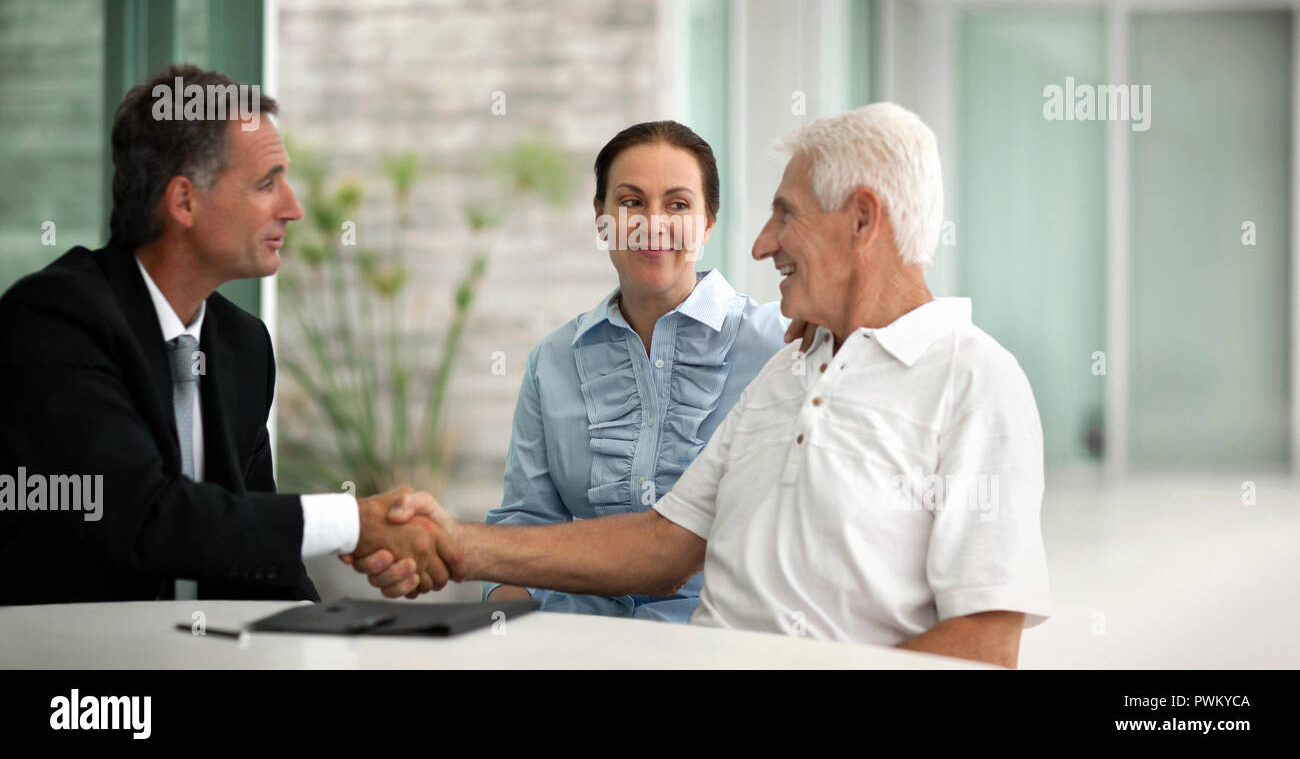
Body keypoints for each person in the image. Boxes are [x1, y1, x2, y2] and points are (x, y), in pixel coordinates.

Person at [353, 103, 1052, 668]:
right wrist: (456, 544)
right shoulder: (791, 369)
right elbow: (662, 546)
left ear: (863, 220)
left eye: (786, 214)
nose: (762, 245)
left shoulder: (973, 380)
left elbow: (984, 649)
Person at [0, 64, 459, 605]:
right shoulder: (53, 320)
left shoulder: (242, 344)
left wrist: (327, 633)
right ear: (184, 201)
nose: (293, 209)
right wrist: (353, 521)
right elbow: (142, 518)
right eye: (267, 184)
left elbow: (258, 557)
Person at [476, 121, 789, 622]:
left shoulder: (784, 344)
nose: (653, 223)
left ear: (708, 222)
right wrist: (510, 636)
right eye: (631, 202)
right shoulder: (552, 360)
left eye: (679, 205)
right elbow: (524, 523)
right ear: (600, 219)